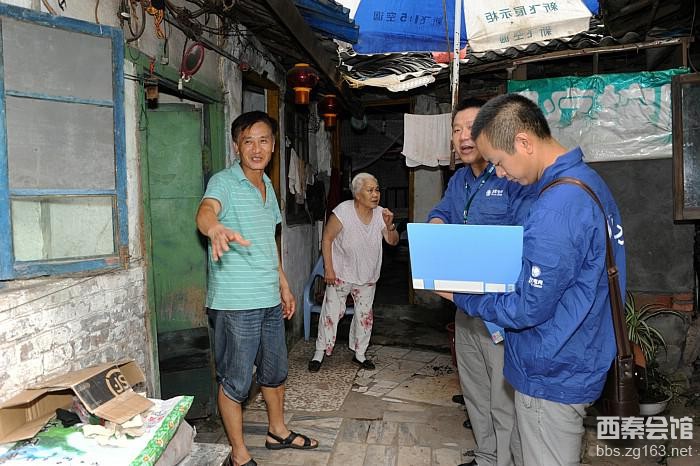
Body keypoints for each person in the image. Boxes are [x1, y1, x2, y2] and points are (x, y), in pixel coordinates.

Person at [437, 94, 625, 466]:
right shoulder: (585, 182)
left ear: (523, 142)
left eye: (499, 162)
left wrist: (460, 296)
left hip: (552, 368)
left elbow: (527, 306)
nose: (500, 173)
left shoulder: (557, 206)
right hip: (569, 355)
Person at [196, 111, 318, 466]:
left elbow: (268, 242)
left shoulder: (268, 186)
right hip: (235, 302)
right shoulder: (223, 182)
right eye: (248, 141)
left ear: (274, 146)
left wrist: (284, 285)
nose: (256, 148)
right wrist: (214, 228)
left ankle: (277, 431)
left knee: (275, 372)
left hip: (268, 298)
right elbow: (206, 211)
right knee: (236, 381)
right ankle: (239, 453)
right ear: (237, 146)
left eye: (263, 140)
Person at [427, 98, 532, 466]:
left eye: (470, 128)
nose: (462, 137)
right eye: (456, 130)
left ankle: (505, 460)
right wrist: (437, 222)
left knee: (502, 395)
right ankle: (486, 456)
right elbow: (443, 210)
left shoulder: (509, 176)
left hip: (498, 309)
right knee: (474, 388)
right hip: (463, 302)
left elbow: (525, 235)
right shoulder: (459, 180)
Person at [308, 172, 400, 372]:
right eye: (370, 190)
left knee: (364, 316)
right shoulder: (343, 211)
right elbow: (327, 239)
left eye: (377, 190)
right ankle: (319, 352)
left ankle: (360, 354)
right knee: (331, 313)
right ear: (357, 194)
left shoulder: (381, 214)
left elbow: (393, 242)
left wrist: (389, 225)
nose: (375, 194)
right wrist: (328, 268)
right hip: (341, 272)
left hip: (367, 275)